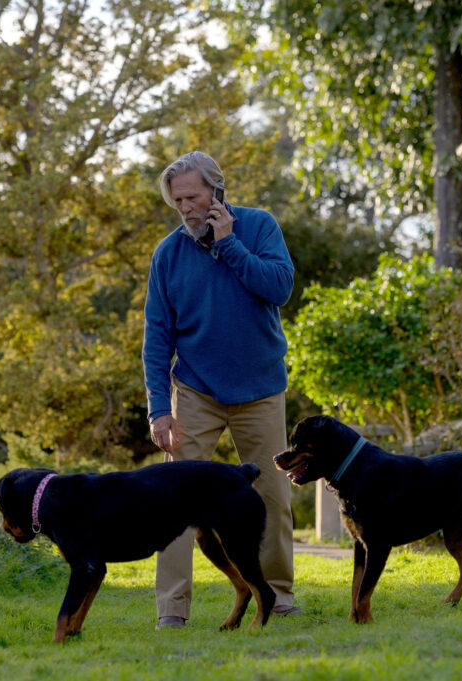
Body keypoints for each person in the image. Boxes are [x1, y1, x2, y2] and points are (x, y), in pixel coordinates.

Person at [142, 151, 301, 629]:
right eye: (178, 201)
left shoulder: (259, 226)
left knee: (273, 495)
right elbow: (156, 337)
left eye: (192, 197)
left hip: (259, 388)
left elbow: (279, 288)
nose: (186, 208)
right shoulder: (168, 254)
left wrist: (228, 243)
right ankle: (172, 608)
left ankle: (279, 596)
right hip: (195, 390)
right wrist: (157, 409)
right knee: (175, 500)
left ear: (217, 191)